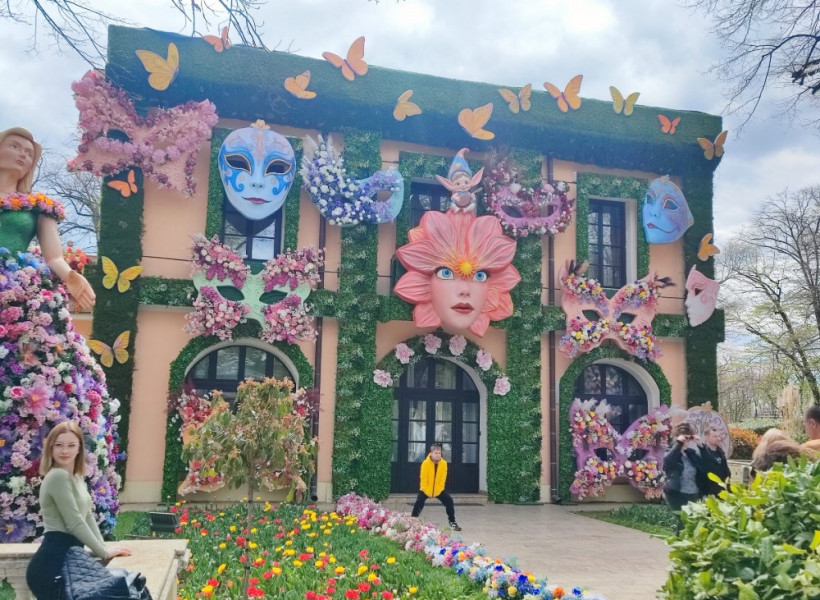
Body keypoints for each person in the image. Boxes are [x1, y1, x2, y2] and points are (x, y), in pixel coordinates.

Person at [0, 127, 121, 543]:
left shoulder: (36, 206)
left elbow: (52, 255)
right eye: (14, 146)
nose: (22, 155)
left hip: (20, 297)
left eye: (28, 151)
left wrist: (72, 277)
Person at [26, 422, 131, 600]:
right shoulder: (57, 476)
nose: (64, 451)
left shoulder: (75, 476)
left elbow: (87, 515)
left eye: (71, 445)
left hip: (70, 562)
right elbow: (74, 522)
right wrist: (103, 553)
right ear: (51, 448)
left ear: (79, 449)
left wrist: (103, 548)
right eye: (59, 445)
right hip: (52, 566)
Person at [410, 443, 461, 531]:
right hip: (425, 489)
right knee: (419, 502)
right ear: (431, 453)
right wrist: (426, 490)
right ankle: (412, 522)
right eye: (436, 453)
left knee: (449, 501)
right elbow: (423, 478)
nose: (438, 455)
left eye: (439, 453)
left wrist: (439, 489)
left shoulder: (444, 463)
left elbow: (443, 478)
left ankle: (452, 522)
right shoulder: (425, 463)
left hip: (438, 489)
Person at [663, 422, 703, 512]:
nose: (686, 441)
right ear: (677, 438)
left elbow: (705, 466)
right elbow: (667, 462)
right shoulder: (670, 452)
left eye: (689, 438)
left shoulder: (692, 453)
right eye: (685, 438)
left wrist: (701, 446)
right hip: (676, 494)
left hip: (694, 494)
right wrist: (679, 444)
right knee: (679, 518)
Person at [695, 426, 731, 497]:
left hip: (722, 492)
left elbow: (726, 472)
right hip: (707, 493)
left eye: (719, 436)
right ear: (707, 438)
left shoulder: (720, 453)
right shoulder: (701, 452)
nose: (718, 439)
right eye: (715, 436)